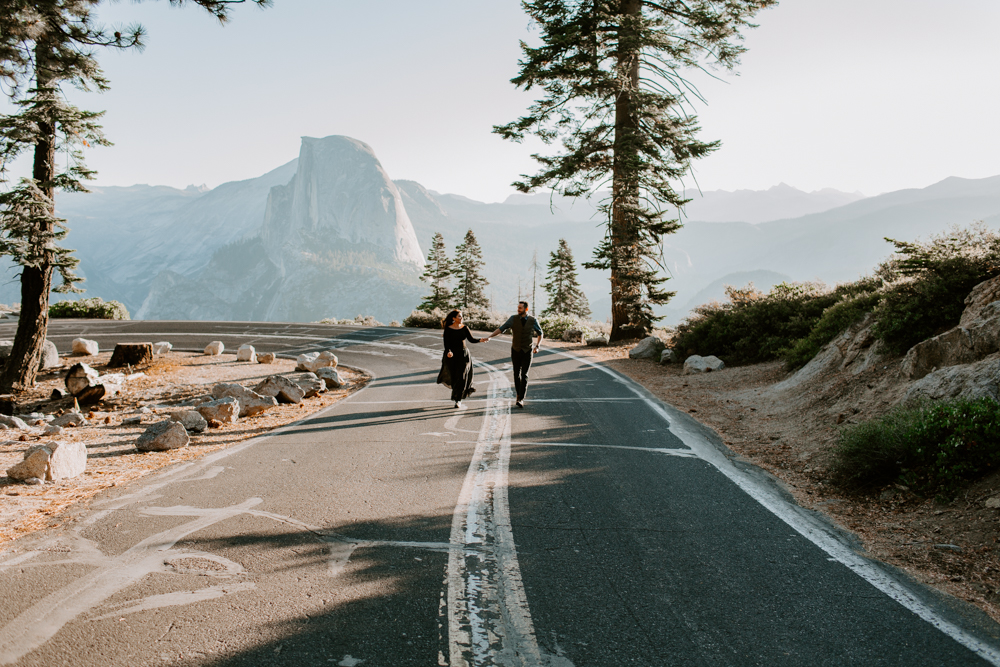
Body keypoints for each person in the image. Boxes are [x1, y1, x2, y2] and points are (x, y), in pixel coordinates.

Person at [486, 301, 543, 408]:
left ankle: (521, 398)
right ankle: (518, 395)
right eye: (518, 308)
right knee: (516, 374)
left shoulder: (533, 320)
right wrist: (490, 336)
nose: (518, 309)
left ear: (526, 309)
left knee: (524, 375)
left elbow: (540, 333)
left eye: (520, 308)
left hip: (527, 351)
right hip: (516, 350)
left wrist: (537, 346)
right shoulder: (513, 319)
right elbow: (501, 328)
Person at [439, 309, 489, 408]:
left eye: (462, 316)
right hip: (451, 355)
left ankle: (458, 399)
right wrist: (449, 352)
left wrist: (480, 340)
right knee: (454, 377)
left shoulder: (465, 328)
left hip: (463, 355)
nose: (461, 318)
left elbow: (471, 340)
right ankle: (456, 394)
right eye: (459, 316)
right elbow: (446, 344)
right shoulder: (448, 329)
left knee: (462, 377)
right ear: (454, 318)